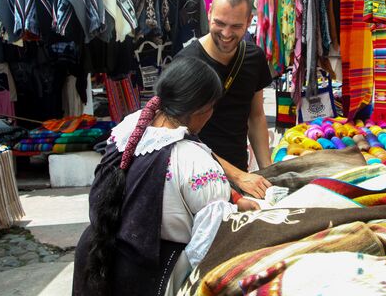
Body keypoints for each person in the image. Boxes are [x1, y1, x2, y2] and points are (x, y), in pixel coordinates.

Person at [72, 57, 258, 296]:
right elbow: (207, 247)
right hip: (148, 277)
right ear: (200, 109)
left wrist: (232, 197)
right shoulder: (195, 161)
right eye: (212, 106)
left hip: (94, 257)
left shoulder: (129, 128)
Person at [177, 0, 273, 198]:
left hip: (241, 178)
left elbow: (256, 117)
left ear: (249, 21)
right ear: (209, 12)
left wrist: (268, 170)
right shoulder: (186, 63)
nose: (226, 34)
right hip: (195, 180)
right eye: (219, 23)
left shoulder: (254, 58)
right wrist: (238, 176)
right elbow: (179, 136)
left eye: (236, 26)